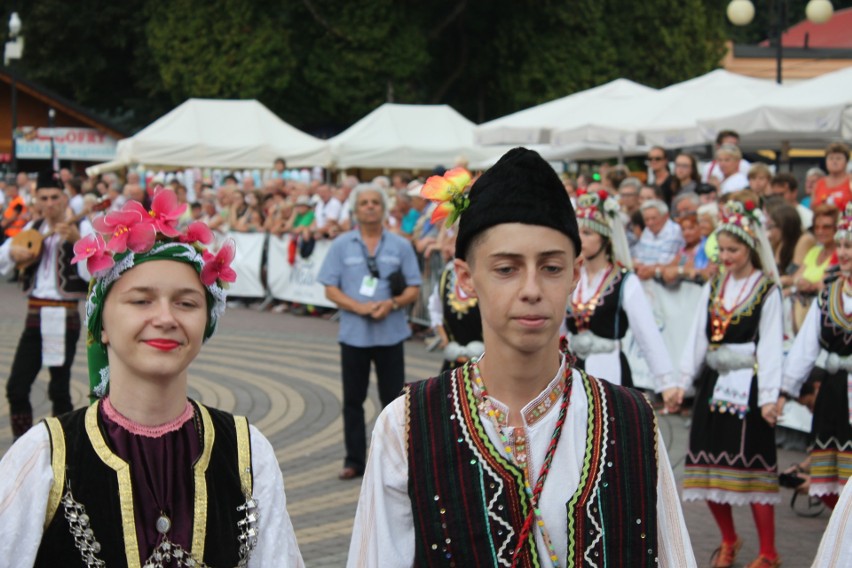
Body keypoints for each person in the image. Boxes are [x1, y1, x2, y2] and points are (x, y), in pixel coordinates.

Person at [347, 148, 696, 567]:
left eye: (550, 267)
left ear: (574, 273)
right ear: (465, 278)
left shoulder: (633, 421)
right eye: (506, 269)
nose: (531, 289)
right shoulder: (404, 425)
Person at [0, 187, 304, 566]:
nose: (165, 318)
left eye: (186, 303)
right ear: (102, 325)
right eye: (141, 300)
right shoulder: (43, 458)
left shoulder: (246, 452)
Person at [668, 196, 784, 568]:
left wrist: (769, 396)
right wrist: (682, 384)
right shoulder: (714, 285)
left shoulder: (767, 290)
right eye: (722, 250)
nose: (726, 257)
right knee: (706, 465)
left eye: (733, 249)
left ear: (750, 247)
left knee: (754, 467)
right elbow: (696, 340)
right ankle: (728, 539)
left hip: (749, 389)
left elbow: (770, 345)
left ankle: (769, 552)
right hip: (714, 386)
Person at [318, 183, 421, 480]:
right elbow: (329, 288)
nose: (371, 206)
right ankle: (354, 460)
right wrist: (357, 307)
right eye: (364, 202)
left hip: (391, 333)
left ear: (384, 208)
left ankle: (393, 460)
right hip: (354, 335)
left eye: (376, 202)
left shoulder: (400, 245)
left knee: (394, 402)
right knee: (353, 400)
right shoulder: (341, 245)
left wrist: (392, 303)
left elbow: (414, 287)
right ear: (355, 210)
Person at [0, 170, 93, 439]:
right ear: (37, 200)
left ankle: (62, 450)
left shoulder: (83, 227)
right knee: (17, 387)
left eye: (55, 197)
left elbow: (94, 274)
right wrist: (15, 253)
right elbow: (4, 259)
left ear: (64, 197)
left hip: (65, 315)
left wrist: (77, 242)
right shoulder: (34, 227)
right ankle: (23, 444)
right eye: (44, 198)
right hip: (35, 313)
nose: (50, 203)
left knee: (59, 389)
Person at [780, 202, 852, 511]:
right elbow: (805, 347)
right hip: (835, 393)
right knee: (829, 483)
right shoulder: (828, 295)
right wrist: (784, 391)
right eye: (842, 245)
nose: (845, 252)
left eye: (850, 246)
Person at [565, 188, 674, 389]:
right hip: (573, 371)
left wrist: (665, 381)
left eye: (587, 233)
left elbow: (646, 332)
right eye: (577, 232)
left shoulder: (624, 281)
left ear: (605, 237)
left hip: (609, 371)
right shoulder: (570, 276)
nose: (580, 239)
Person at [427, 226, 483, 373]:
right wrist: (444, 337)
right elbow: (435, 309)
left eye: (450, 241)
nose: (444, 247)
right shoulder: (447, 274)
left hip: (485, 364)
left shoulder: (484, 274)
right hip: (452, 364)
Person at [633, 199, 685, 281]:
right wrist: (639, 266)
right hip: (645, 277)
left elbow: (665, 262)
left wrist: (644, 268)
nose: (650, 223)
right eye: (646, 219)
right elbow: (638, 256)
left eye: (654, 218)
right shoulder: (647, 230)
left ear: (665, 216)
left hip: (665, 281)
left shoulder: (674, 231)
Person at [812, 142, 851, 212]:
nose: (834, 161)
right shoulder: (818, 184)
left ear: (846, 162)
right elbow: (813, 209)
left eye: (838, 158)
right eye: (831, 158)